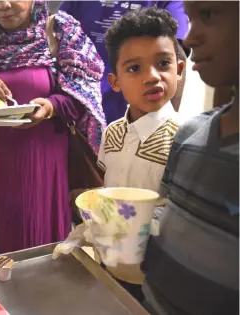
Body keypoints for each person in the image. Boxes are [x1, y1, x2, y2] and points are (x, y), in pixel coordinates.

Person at [0, 0, 106, 259]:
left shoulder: (60, 31)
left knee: (38, 238)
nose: (3, 5)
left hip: (41, 154)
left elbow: (84, 92)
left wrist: (51, 105)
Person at [140, 2, 239, 314]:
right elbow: (166, 215)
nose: (191, 38)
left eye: (208, 15)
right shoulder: (190, 134)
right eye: (190, 18)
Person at [93, 7, 185, 302]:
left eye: (163, 63)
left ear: (179, 70)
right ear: (115, 82)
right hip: (111, 262)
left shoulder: (184, 139)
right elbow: (106, 191)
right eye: (134, 68)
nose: (152, 77)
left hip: (159, 277)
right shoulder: (112, 133)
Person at [59, 1, 189, 123]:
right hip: (80, 111)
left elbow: (175, 53)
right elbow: (57, 42)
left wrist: (166, 124)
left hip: (139, 113)